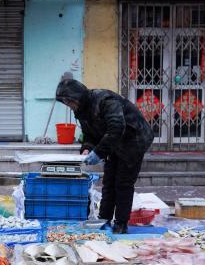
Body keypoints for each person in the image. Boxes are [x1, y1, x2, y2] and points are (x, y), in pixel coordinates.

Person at [56, 79, 154, 234]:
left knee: (123, 183)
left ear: (77, 97)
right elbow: (89, 133)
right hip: (113, 142)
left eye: (69, 102)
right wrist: (87, 148)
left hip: (133, 139)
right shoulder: (81, 110)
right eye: (66, 103)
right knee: (108, 182)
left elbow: (117, 127)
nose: (69, 106)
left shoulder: (105, 101)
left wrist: (99, 152)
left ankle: (121, 223)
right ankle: (104, 219)